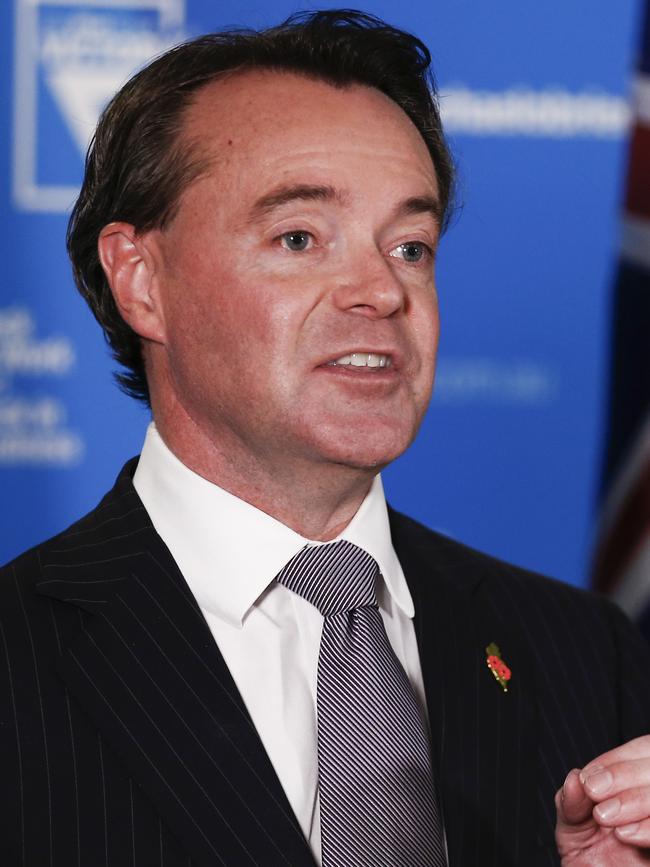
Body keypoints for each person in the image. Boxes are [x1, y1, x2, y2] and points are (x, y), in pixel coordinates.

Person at [2, 9, 650, 866]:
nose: (382, 291)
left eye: (411, 246)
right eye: (300, 237)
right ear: (142, 281)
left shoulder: (581, 650)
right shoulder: (17, 662)